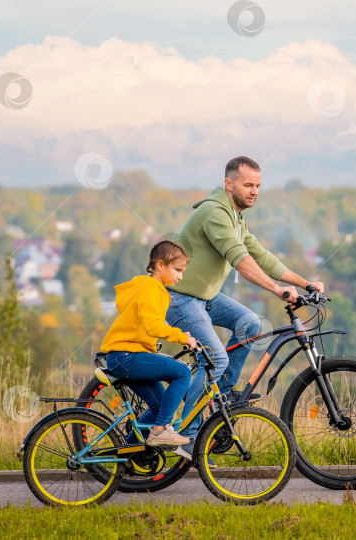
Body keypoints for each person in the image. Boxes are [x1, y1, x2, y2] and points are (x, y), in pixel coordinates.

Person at [167, 156, 324, 458]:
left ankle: (219, 399)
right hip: (181, 298)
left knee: (250, 325)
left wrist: (306, 283)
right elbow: (240, 258)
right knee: (216, 357)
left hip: (204, 297)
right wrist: (277, 290)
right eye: (248, 185)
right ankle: (187, 434)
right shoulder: (215, 212)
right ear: (229, 184)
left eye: (258, 186)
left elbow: (263, 257)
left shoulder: (236, 217)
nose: (254, 191)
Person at [100, 240, 198, 455]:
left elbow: (149, 323)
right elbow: (152, 325)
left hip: (127, 356)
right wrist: (181, 337)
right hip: (127, 356)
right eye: (178, 270)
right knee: (182, 373)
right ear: (160, 265)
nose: (180, 276)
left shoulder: (150, 288)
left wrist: (182, 335)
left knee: (159, 406)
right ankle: (160, 431)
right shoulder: (150, 288)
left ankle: (128, 454)